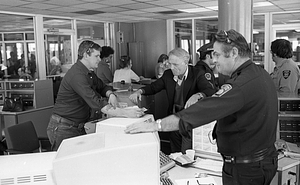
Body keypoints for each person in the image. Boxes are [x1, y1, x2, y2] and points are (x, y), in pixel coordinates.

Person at [125, 29, 278, 185]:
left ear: (234, 52)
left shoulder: (240, 84)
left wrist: (157, 125)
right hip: (258, 161)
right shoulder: (259, 73)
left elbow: (206, 109)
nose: (213, 60)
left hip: (246, 169)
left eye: (217, 55)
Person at [47, 40, 145, 151]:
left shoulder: (89, 72)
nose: (100, 59)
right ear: (85, 55)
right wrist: (125, 113)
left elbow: (102, 86)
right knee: (67, 164)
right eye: (97, 56)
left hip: (77, 126)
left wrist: (111, 94)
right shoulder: (77, 75)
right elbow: (96, 102)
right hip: (63, 128)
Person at [129, 48, 216, 153]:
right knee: (175, 152)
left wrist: (198, 95)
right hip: (173, 118)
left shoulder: (197, 73)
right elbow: (154, 87)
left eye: (175, 64)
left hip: (189, 122)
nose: (172, 68)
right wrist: (140, 91)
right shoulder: (168, 74)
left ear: (185, 63)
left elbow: (210, 90)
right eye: (170, 64)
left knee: (186, 153)